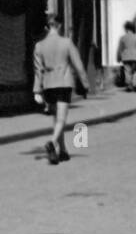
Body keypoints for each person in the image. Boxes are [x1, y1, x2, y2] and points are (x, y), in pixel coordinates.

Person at [33, 15, 92, 165]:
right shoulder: (66, 43)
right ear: (59, 26)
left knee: (56, 119)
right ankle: (52, 143)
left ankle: (63, 150)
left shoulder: (39, 46)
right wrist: (85, 83)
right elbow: (78, 65)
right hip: (64, 83)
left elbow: (38, 70)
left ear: (47, 27)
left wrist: (36, 90)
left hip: (48, 85)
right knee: (61, 119)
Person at [116, 20, 136, 92]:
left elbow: (120, 49)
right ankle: (135, 85)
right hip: (135, 56)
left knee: (127, 71)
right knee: (135, 71)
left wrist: (118, 57)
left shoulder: (123, 38)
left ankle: (128, 85)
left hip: (126, 56)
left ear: (126, 29)